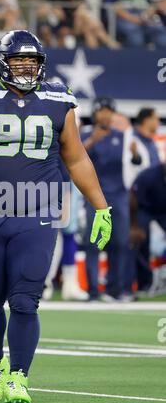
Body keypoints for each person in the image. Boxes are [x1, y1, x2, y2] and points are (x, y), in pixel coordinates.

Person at [0, 30, 111, 403]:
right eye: (18, 60)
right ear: (2, 62)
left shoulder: (57, 100)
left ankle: (19, 376)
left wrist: (101, 206)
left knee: (24, 300)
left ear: (41, 65)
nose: (25, 67)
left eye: (31, 61)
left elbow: (77, 157)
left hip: (38, 211)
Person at [81, 96, 140, 301]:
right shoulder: (85, 134)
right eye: (102, 111)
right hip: (94, 196)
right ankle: (93, 291)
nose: (105, 115)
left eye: (109, 111)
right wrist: (91, 141)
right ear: (95, 113)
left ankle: (116, 290)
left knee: (120, 243)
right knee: (94, 243)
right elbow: (72, 158)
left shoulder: (124, 137)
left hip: (120, 196)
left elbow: (137, 162)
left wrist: (134, 153)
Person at [130, 162, 166, 291]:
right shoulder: (149, 175)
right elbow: (133, 197)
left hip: (163, 210)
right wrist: (134, 226)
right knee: (140, 240)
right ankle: (144, 283)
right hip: (143, 209)